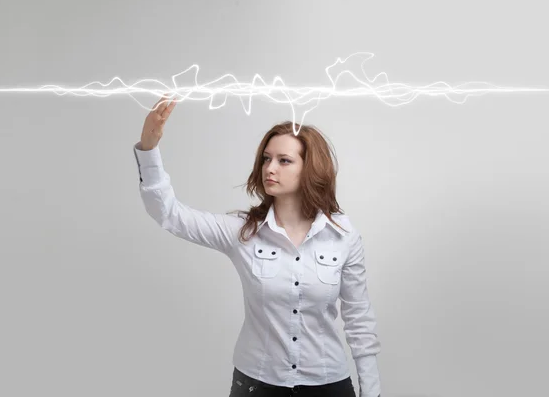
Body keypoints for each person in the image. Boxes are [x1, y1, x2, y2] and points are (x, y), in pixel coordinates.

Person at [132, 95, 382, 397]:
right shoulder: (243, 233)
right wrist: (149, 148)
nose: (270, 168)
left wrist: (372, 392)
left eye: (284, 160)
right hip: (257, 385)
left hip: (328, 385)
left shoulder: (343, 235)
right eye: (266, 158)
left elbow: (359, 322)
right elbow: (168, 214)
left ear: (310, 168)